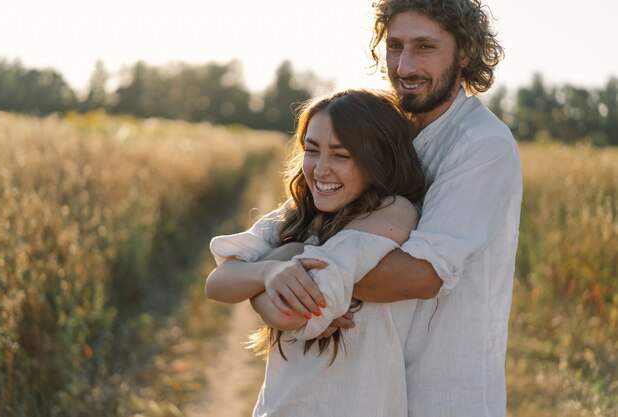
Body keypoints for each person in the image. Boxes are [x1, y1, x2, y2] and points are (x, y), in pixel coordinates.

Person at [211, 1, 523, 416]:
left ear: (464, 52)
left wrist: (285, 264)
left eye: (425, 47)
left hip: (444, 390)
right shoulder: (377, 129)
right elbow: (272, 251)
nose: (405, 66)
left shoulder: (483, 145)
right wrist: (270, 272)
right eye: (395, 46)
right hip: (358, 389)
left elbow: (421, 274)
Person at [205, 89, 427, 416]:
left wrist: (275, 265)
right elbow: (218, 282)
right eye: (312, 150)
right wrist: (270, 271)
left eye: (341, 155)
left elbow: (290, 314)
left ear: (378, 159)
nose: (321, 170)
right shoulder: (297, 213)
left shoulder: (394, 211)